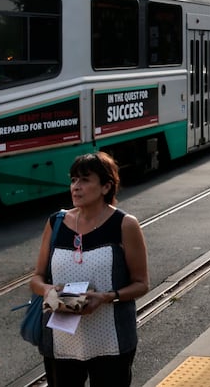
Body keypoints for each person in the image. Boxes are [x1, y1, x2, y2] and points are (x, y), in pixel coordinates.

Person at [29, 152, 149, 387]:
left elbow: (141, 283)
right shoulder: (56, 223)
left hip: (110, 340)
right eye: (73, 180)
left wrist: (105, 297)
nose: (76, 187)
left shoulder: (125, 224)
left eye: (85, 180)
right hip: (61, 342)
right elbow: (36, 278)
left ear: (106, 187)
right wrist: (50, 291)